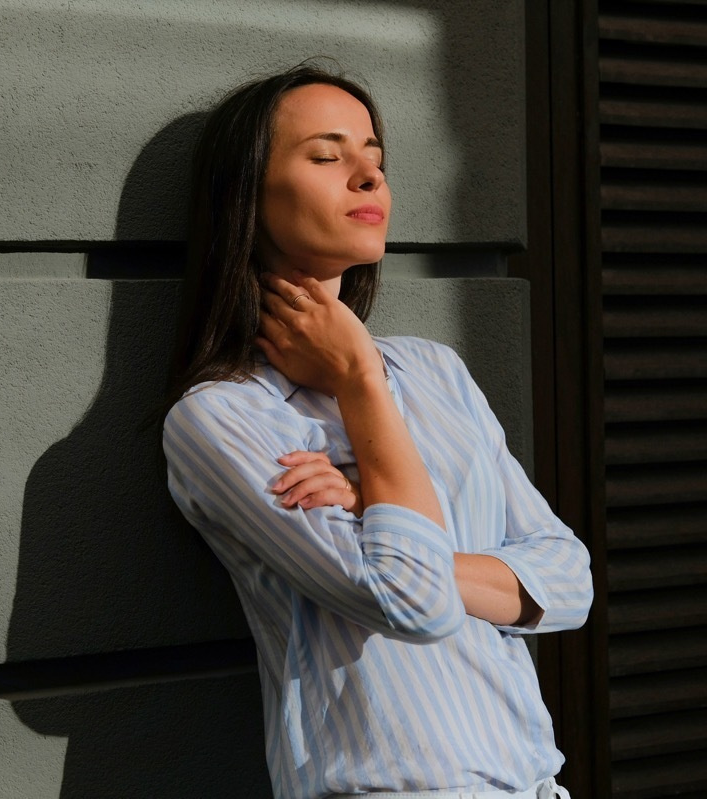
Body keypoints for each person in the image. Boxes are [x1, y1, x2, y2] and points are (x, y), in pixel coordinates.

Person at [162, 63, 593, 799]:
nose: (367, 177)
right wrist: (359, 381)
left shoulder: (432, 370)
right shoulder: (220, 417)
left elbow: (566, 579)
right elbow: (413, 604)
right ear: (247, 196)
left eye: (375, 159)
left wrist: (369, 504)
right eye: (327, 157)